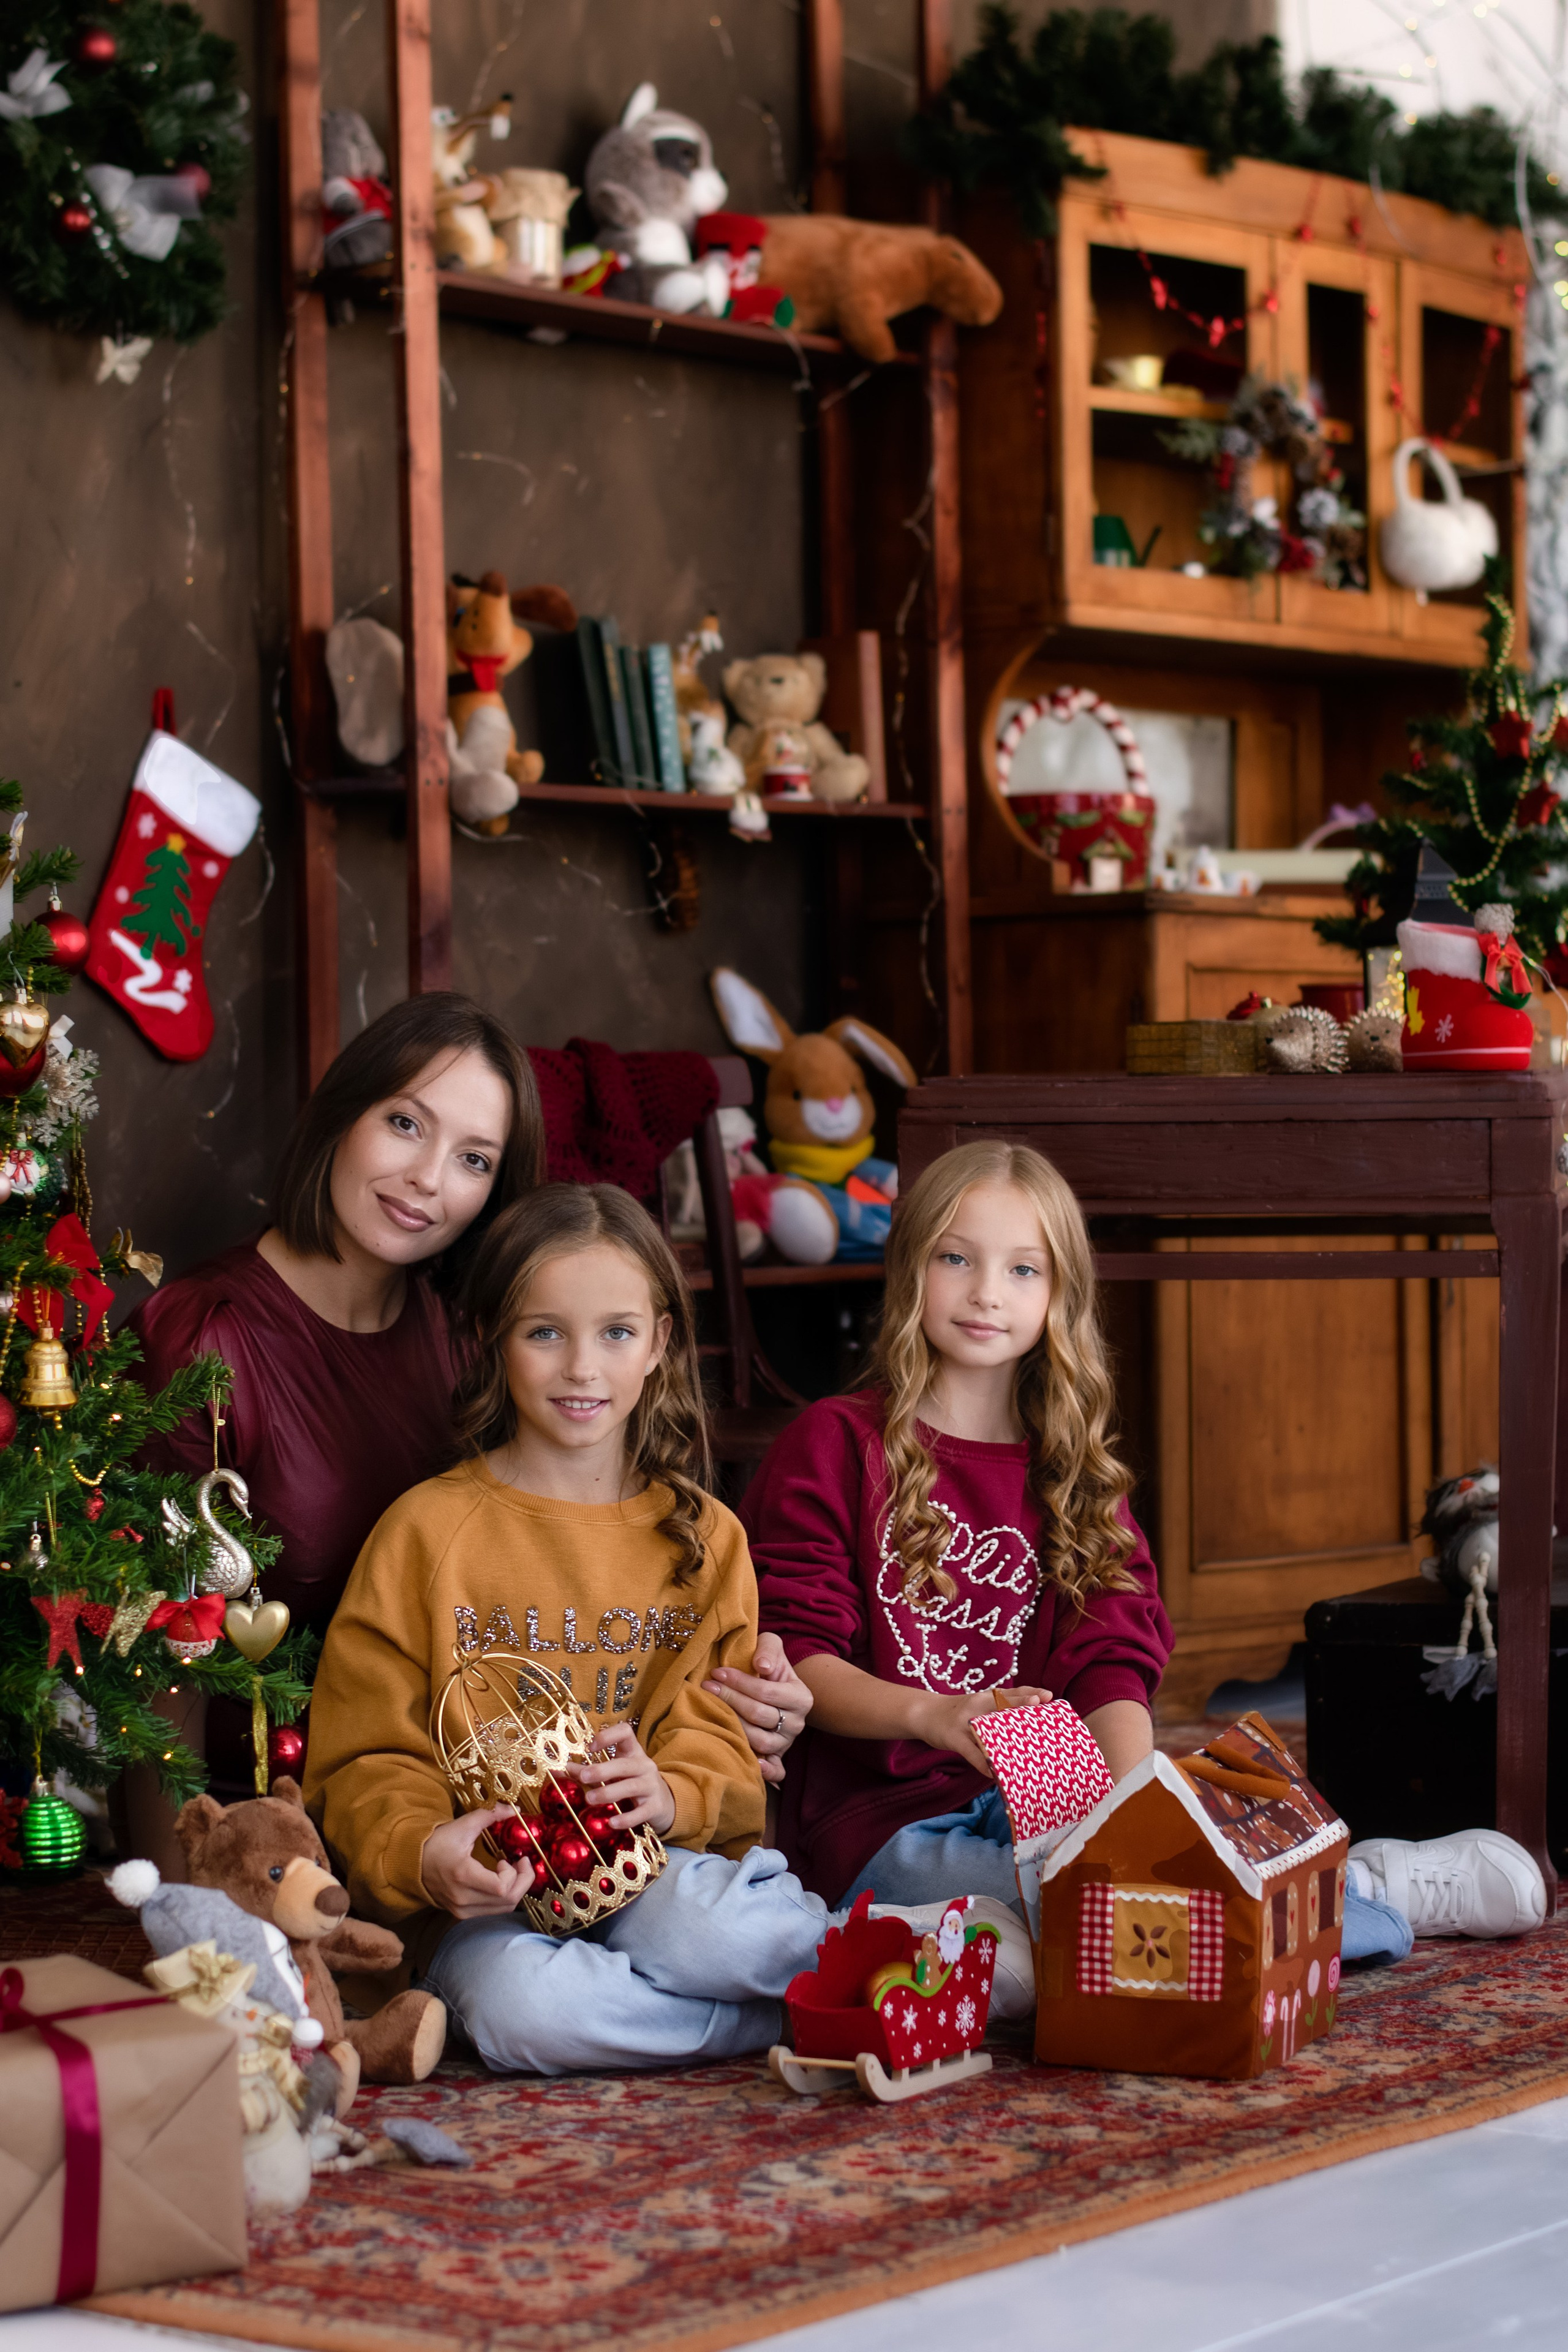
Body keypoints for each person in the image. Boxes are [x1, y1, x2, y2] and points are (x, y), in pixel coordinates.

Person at [303, 1183, 1030, 2076]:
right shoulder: (424, 1532)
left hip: (657, 1871)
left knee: (711, 1932)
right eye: (545, 1333)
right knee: (523, 2017)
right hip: (490, 1904)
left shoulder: (704, 1536)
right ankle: (823, 2010)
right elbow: (362, 1752)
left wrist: (673, 1792)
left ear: (659, 1345)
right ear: (495, 1339)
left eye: (615, 1333)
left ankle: (917, 1955)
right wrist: (423, 1854)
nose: (581, 1369)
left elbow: (725, 1736)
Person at [742, 1139, 1173, 1915]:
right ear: (909, 1266)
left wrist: (1131, 1819)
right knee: (1089, 1908)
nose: (986, 1293)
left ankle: (1369, 1885)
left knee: (1157, 1883)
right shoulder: (834, 1442)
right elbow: (797, 1655)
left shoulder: (1072, 1466)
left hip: (1042, 1798)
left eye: (1022, 1269)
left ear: (1059, 1293)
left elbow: (1110, 1660)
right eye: (955, 1259)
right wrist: (936, 1716)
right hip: (876, 1821)